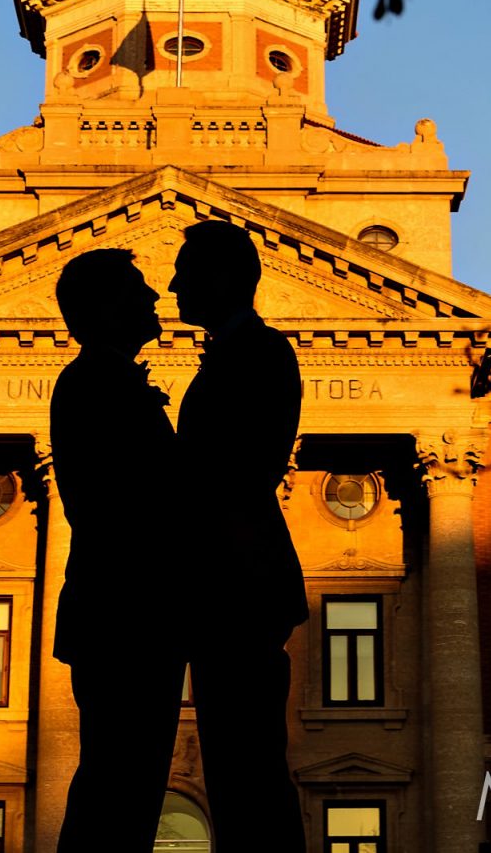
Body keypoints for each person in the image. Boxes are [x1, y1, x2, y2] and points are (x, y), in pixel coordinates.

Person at [170, 219, 307, 852]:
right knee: (242, 770)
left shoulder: (258, 354)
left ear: (224, 278)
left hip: (236, 584)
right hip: (229, 583)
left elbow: (235, 471)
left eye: (186, 272)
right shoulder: (235, 353)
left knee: (249, 771)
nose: (173, 285)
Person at [49, 248, 185, 851]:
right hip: (128, 614)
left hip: (120, 613)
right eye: (138, 290)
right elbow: (135, 505)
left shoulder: (103, 380)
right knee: (119, 788)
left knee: (119, 784)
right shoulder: (98, 384)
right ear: (102, 310)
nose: (154, 298)